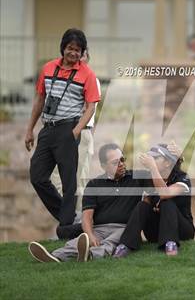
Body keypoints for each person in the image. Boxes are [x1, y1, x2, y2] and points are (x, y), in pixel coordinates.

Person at [25, 28, 100, 232]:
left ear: (82, 52)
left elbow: (91, 106)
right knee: (37, 176)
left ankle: (66, 228)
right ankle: (69, 220)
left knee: (69, 184)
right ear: (63, 48)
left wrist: (75, 131)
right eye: (70, 48)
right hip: (47, 130)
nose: (73, 53)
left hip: (68, 129)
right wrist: (30, 129)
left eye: (78, 50)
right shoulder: (48, 69)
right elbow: (40, 99)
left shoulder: (88, 75)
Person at [28, 143, 151, 262]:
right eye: (115, 162)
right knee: (77, 242)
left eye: (122, 159)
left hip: (125, 228)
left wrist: (152, 167)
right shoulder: (94, 184)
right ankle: (55, 256)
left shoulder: (137, 178)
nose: (121, 164)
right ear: (103, 166)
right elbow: (87, 217)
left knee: (110, 242)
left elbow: (159, 184)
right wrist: (90, 235)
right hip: (99, 228)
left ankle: (90, 254)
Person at [113, 144, 195, 257]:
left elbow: (164, 193)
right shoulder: (147, 176)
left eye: (155, 158)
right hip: (155, 232)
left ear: (167, 163)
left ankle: (170, 243)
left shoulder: (182, 177)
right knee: (142, 205)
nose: (151, 160)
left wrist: (153, 168)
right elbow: (122, 174)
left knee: (167, 203)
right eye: (150, 157)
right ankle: (124, 245)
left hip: (182, 231)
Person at [50, 48, 101, 214]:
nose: (77, 57)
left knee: (77, 180)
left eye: (82, 54)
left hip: (80, 133)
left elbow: (87, 109)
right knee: (56, 178)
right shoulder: (64, 79)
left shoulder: (91, 79)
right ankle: (69, 218)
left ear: (85, 58)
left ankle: (77, 221)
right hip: (62, 133)